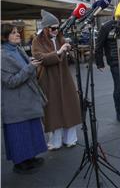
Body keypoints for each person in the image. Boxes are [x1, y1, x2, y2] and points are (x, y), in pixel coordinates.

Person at [31, 10, 82, 150]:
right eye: (53, 28)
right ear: (46, 28)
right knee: (52, 110)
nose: (56, 30)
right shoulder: (37, 40)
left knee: (69, 107)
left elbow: (68, 58)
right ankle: (55, 141)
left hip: (64, 77)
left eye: (57, 27)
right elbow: (39, 57)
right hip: (48, 79)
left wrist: (68, 50)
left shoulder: (61, 38)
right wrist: (59, 52)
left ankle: (70, 139)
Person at [1, 23, 47, 174]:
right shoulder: (2, 56)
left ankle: (30, 158)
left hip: (28, 99)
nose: (18, 34)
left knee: (31, 130)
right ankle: (20, 163)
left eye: (17, 32)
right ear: (4, 37)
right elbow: (10, 82)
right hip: (15, 103)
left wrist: (32, 64)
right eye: (13, 33)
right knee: (19, 133)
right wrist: (30, 67)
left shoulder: (18, 50)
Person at [95, 19, 120, 122]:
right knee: (118, 87)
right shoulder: (106, 26)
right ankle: (119, 113)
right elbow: (99, 45)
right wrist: (99, 62)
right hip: (115, 61)